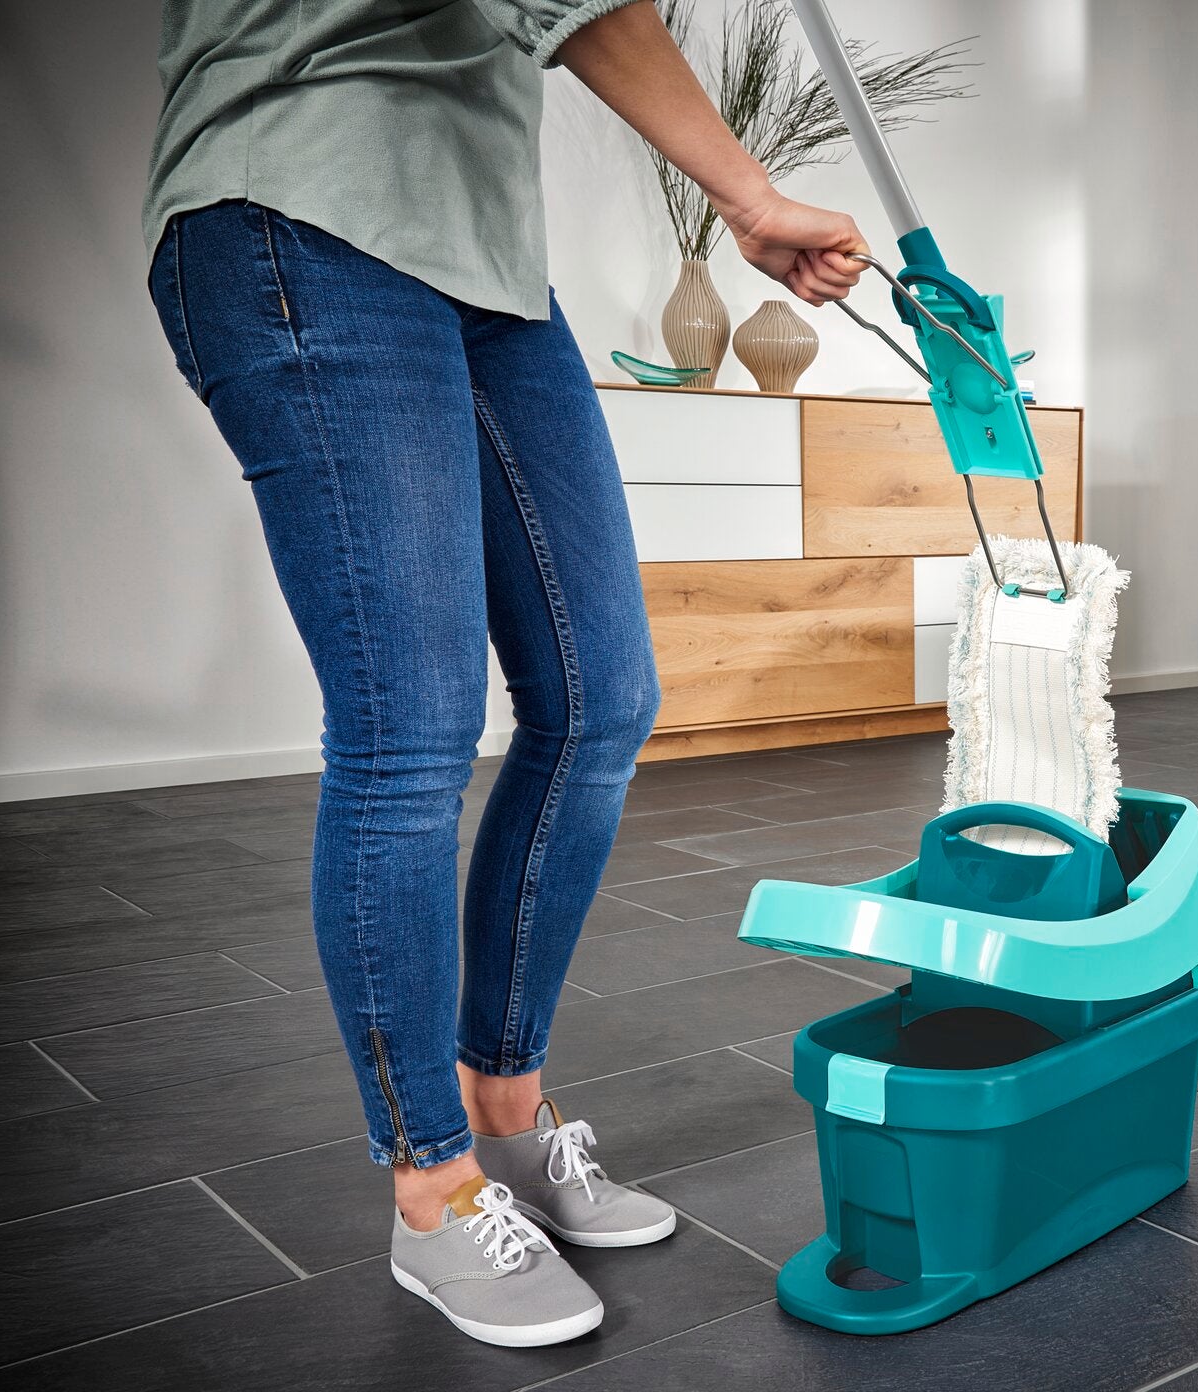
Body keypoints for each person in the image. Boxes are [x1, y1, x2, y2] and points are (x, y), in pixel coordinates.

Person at [143, 0, 865, 1347]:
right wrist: (749, 193)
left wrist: (752, 200)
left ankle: (506, 1111)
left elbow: (598, 9)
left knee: (601, 700)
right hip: (296, 209)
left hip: (484, 262)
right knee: (410, 732)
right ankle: (431, 1186)